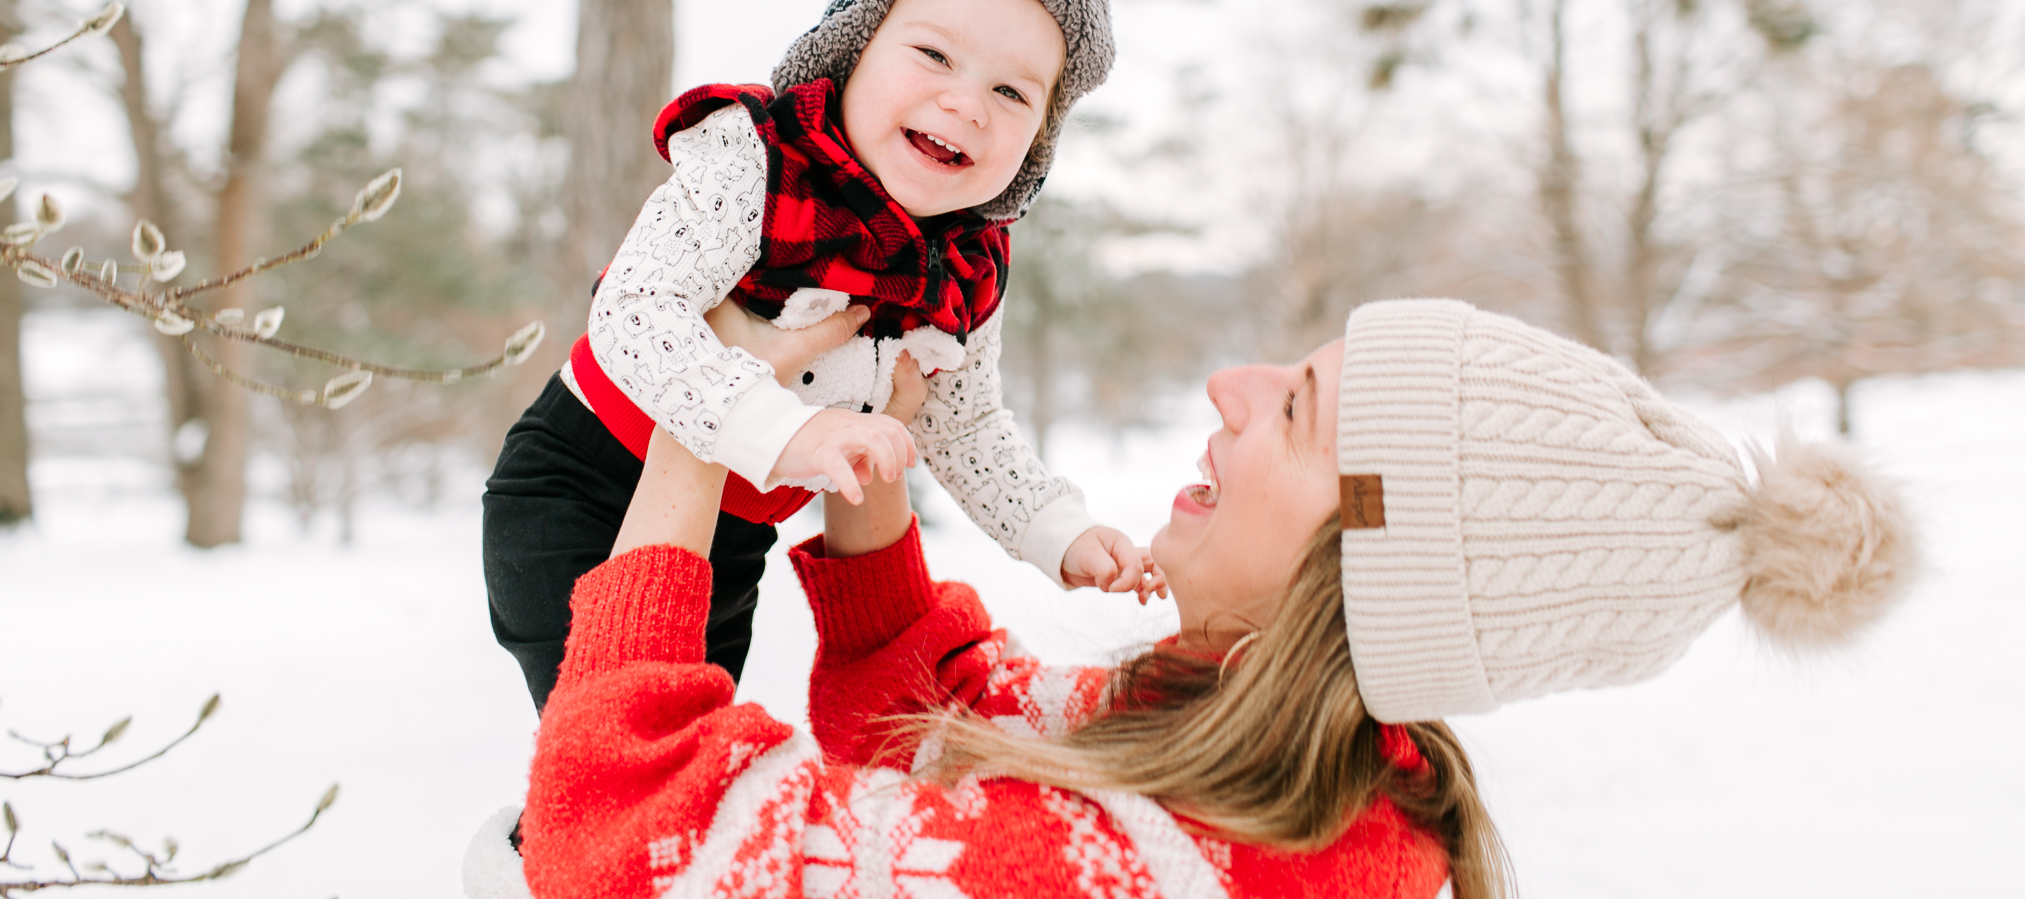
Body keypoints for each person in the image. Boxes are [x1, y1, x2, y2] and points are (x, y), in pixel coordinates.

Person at [464, 296, 1917, 898]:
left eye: (1290, 412)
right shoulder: (1317, 782)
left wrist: (694, 425)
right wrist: (866, 453)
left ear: (1366, 561)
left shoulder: (1165, 868)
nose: (1229, 388)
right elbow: (962, 724)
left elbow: (648, 842)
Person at [482, 0, 1155, 713]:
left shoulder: (966, 263)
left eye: (1012, 92)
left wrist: (1060, 530)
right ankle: (538, 845)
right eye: (934, 54)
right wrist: (776, 431)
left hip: (729, 539)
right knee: (611, 741)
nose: (967, 103)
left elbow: (965, 422)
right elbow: (633, 309)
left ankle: (560, 842)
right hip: (581, 490)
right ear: (853, 47)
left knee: (683, 766)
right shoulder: (755, 161)